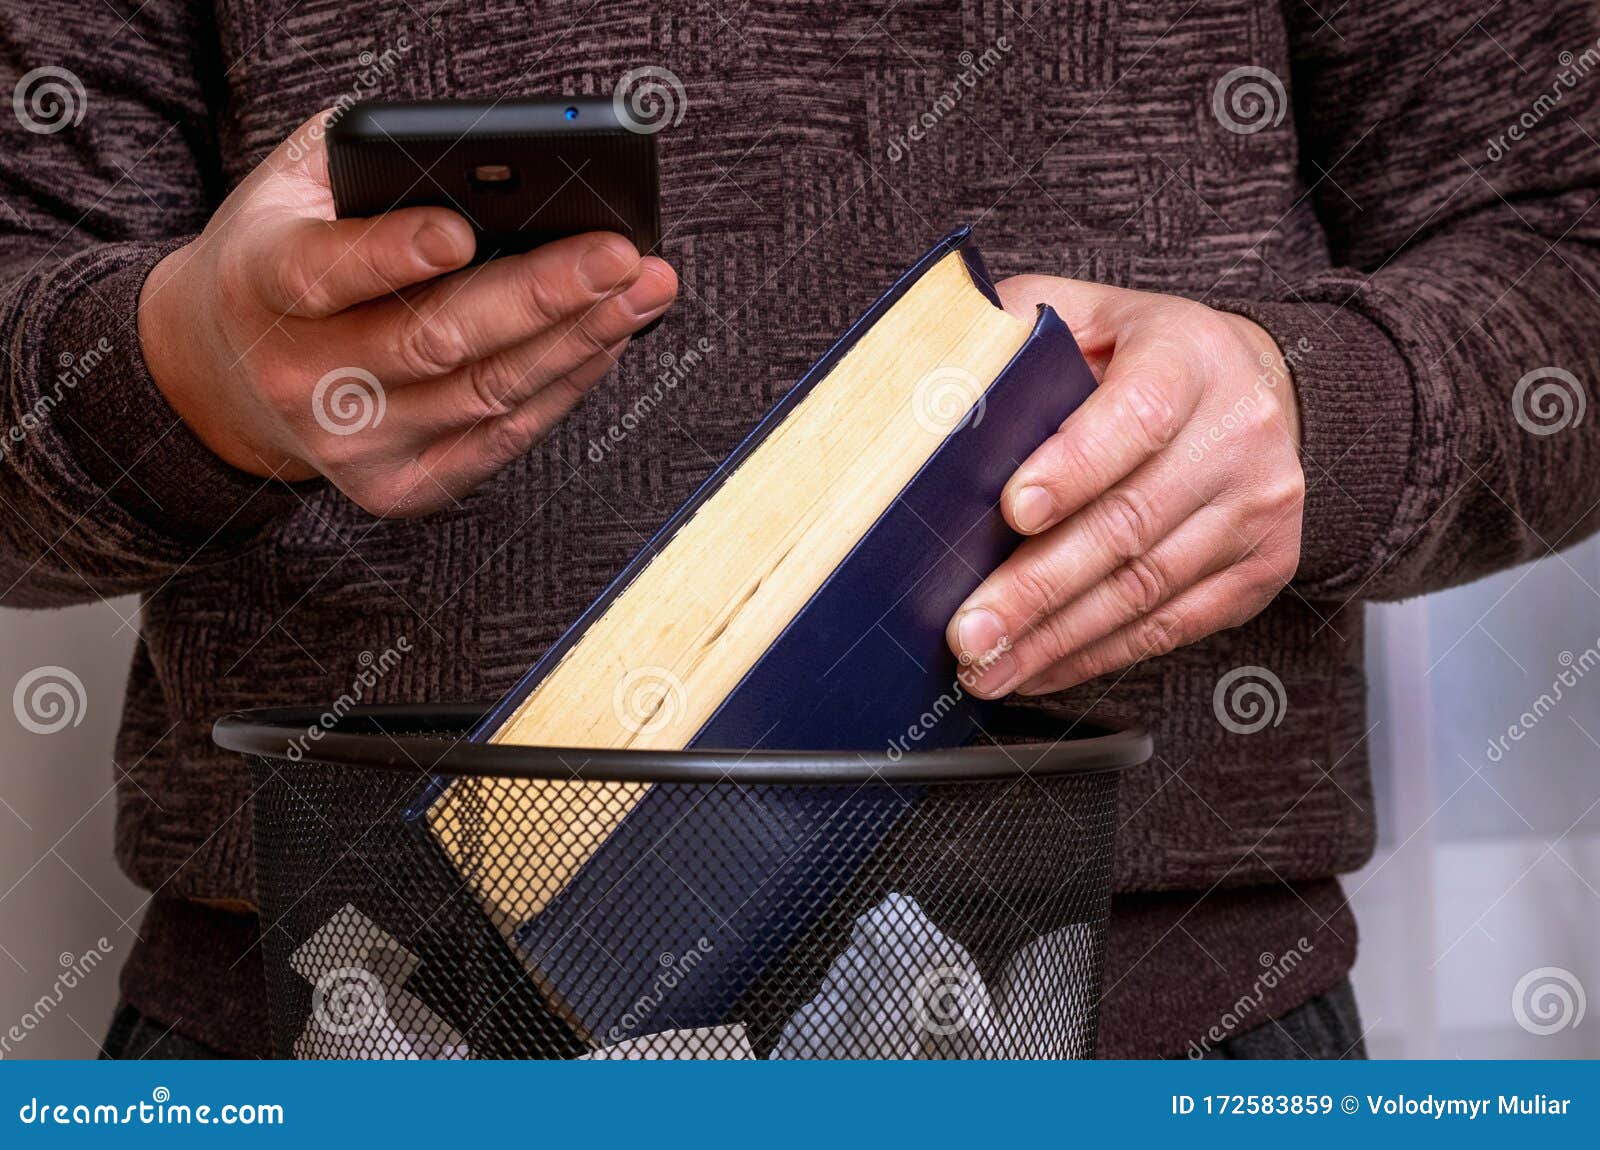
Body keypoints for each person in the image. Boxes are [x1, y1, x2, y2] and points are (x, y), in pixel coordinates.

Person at [2, 1, 1597, 1060]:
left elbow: (1563, 248)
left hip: (1146, 1025)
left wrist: (1326, 409)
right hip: (351, 1028)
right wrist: (190, 373)